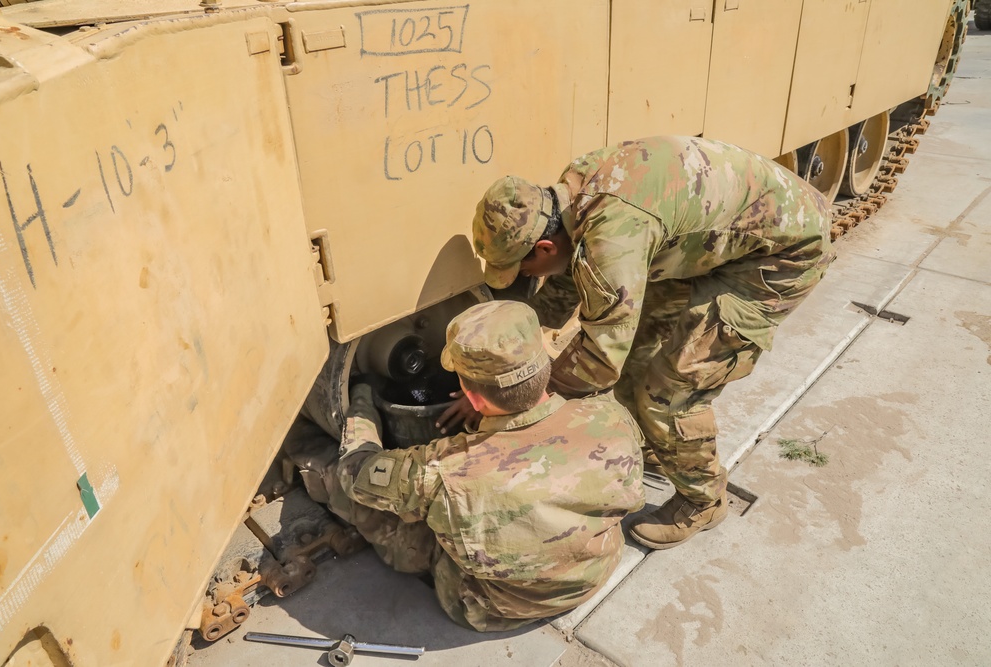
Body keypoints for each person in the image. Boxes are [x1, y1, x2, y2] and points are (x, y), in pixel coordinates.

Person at [465, 136, 836, 550]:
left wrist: (511, 396)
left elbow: (599, 361)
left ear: (545, 245)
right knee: (638, 356)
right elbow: (565, 286)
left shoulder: (614, 237)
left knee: (670, 391)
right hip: (711, 242)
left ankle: (703, 500)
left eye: (523, 269)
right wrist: (498, 365)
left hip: (782, 252)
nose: (525, 279)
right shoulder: (568, 200)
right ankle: (661, 448)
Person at [301, 300, 645, 631]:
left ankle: (306, 458)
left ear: (474, 397)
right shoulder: (611, 417)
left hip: (494, 607)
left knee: (369, 503)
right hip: (596, 570)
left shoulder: (446, 472)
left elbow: (357, 471)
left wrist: (362, 400)